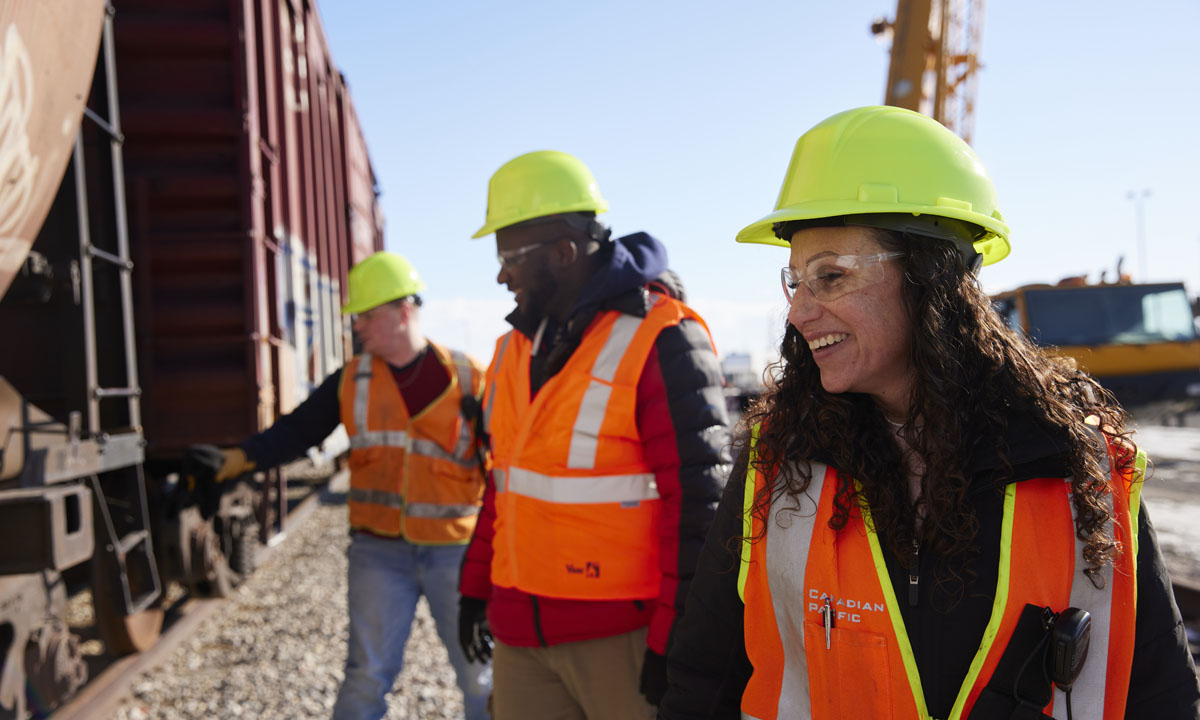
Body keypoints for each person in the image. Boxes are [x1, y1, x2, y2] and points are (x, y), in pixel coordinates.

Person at [658, 106, 1200, 719]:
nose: (797, 312)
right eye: (795, 281)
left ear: (929, 277)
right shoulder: (777, 463)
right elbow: (706, 678)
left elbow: (1162, 695)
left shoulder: (1085, 468)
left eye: (830, 276)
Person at [457, 150, 732, 719]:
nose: (500, 274)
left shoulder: (663, 338)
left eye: (510, 256)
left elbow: (702, 507)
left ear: (564, 252)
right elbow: (505, 482)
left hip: (621, 640)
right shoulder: (513, 350)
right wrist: (475, 586)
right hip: (521, 639)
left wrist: (675, 639)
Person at [185, 251, 493, 720]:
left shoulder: (469, 377)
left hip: (455, 552)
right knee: (366, 676)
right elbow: (297, 432)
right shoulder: (354, 378)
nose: (358, 328)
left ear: (403, 311)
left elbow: (504, 463)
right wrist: (237, 460)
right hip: (379, 552)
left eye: (367, 316)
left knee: (480, 674)